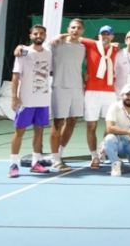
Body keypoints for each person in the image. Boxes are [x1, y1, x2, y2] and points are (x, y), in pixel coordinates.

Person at [9, 25, 53, 177]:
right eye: (35, 34)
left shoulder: (48, 53)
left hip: (43, 99)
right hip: (26, 100)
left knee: (39, 131)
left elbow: (50, 71)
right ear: (31, 36)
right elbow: (15, 76)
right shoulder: (23, 52)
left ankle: (36, 163)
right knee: (19, 131)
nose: (38, 36)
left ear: (45, 36)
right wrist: (14, 97)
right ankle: (13, 164)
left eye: (41, 33)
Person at [48, 19, 87, 172]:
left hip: (77, 88)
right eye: (73, 27)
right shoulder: (56, 43)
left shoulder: (83, 47)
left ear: (82, 31)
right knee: (58, 123)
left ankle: (58, 155)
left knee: (72, 121)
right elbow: (37, 47)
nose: (75, 30)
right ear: (68, 29)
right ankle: (55, 158)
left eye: (79, 28)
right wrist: (21, 47)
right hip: (60, 87)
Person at [80, 25, 119, 168]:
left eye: (108, 34)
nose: (105, 36)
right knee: (91, 125)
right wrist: (60, 36)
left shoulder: (116, 49)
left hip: (110, 92)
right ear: (99, 36)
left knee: (111, 126)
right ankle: (94, 156)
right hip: (92, 91)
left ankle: (103, 149)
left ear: (112, 36)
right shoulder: (92, 45)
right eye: (103, 34)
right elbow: (73, 36)